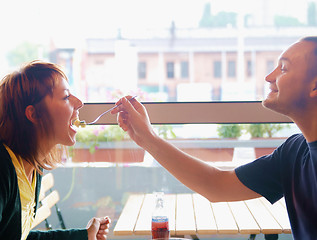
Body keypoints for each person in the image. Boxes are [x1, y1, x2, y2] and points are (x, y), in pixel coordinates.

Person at [112, 36, 317, 239]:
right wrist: (146, 138)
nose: (268, 77)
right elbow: (216, 185)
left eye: (283, 69)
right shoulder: (294, 152)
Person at [0, 61, 111, 240]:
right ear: (34, 114)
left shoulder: (32, 168)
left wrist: (84, 236)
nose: (79, 103)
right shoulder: (3, 169)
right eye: (66, 97)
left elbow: (18, 235)